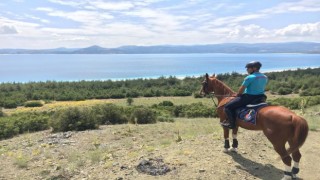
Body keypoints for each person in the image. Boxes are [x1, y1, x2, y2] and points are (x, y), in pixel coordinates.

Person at [221, 61, 268, 129]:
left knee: (227, 107)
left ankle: (232, 124)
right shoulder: (264, 77)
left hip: (249, 97)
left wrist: (238, 94)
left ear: (254, 68)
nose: (247, 70)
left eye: (248, 68)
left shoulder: (249, 77)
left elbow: (241, 89)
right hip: (261, 97)